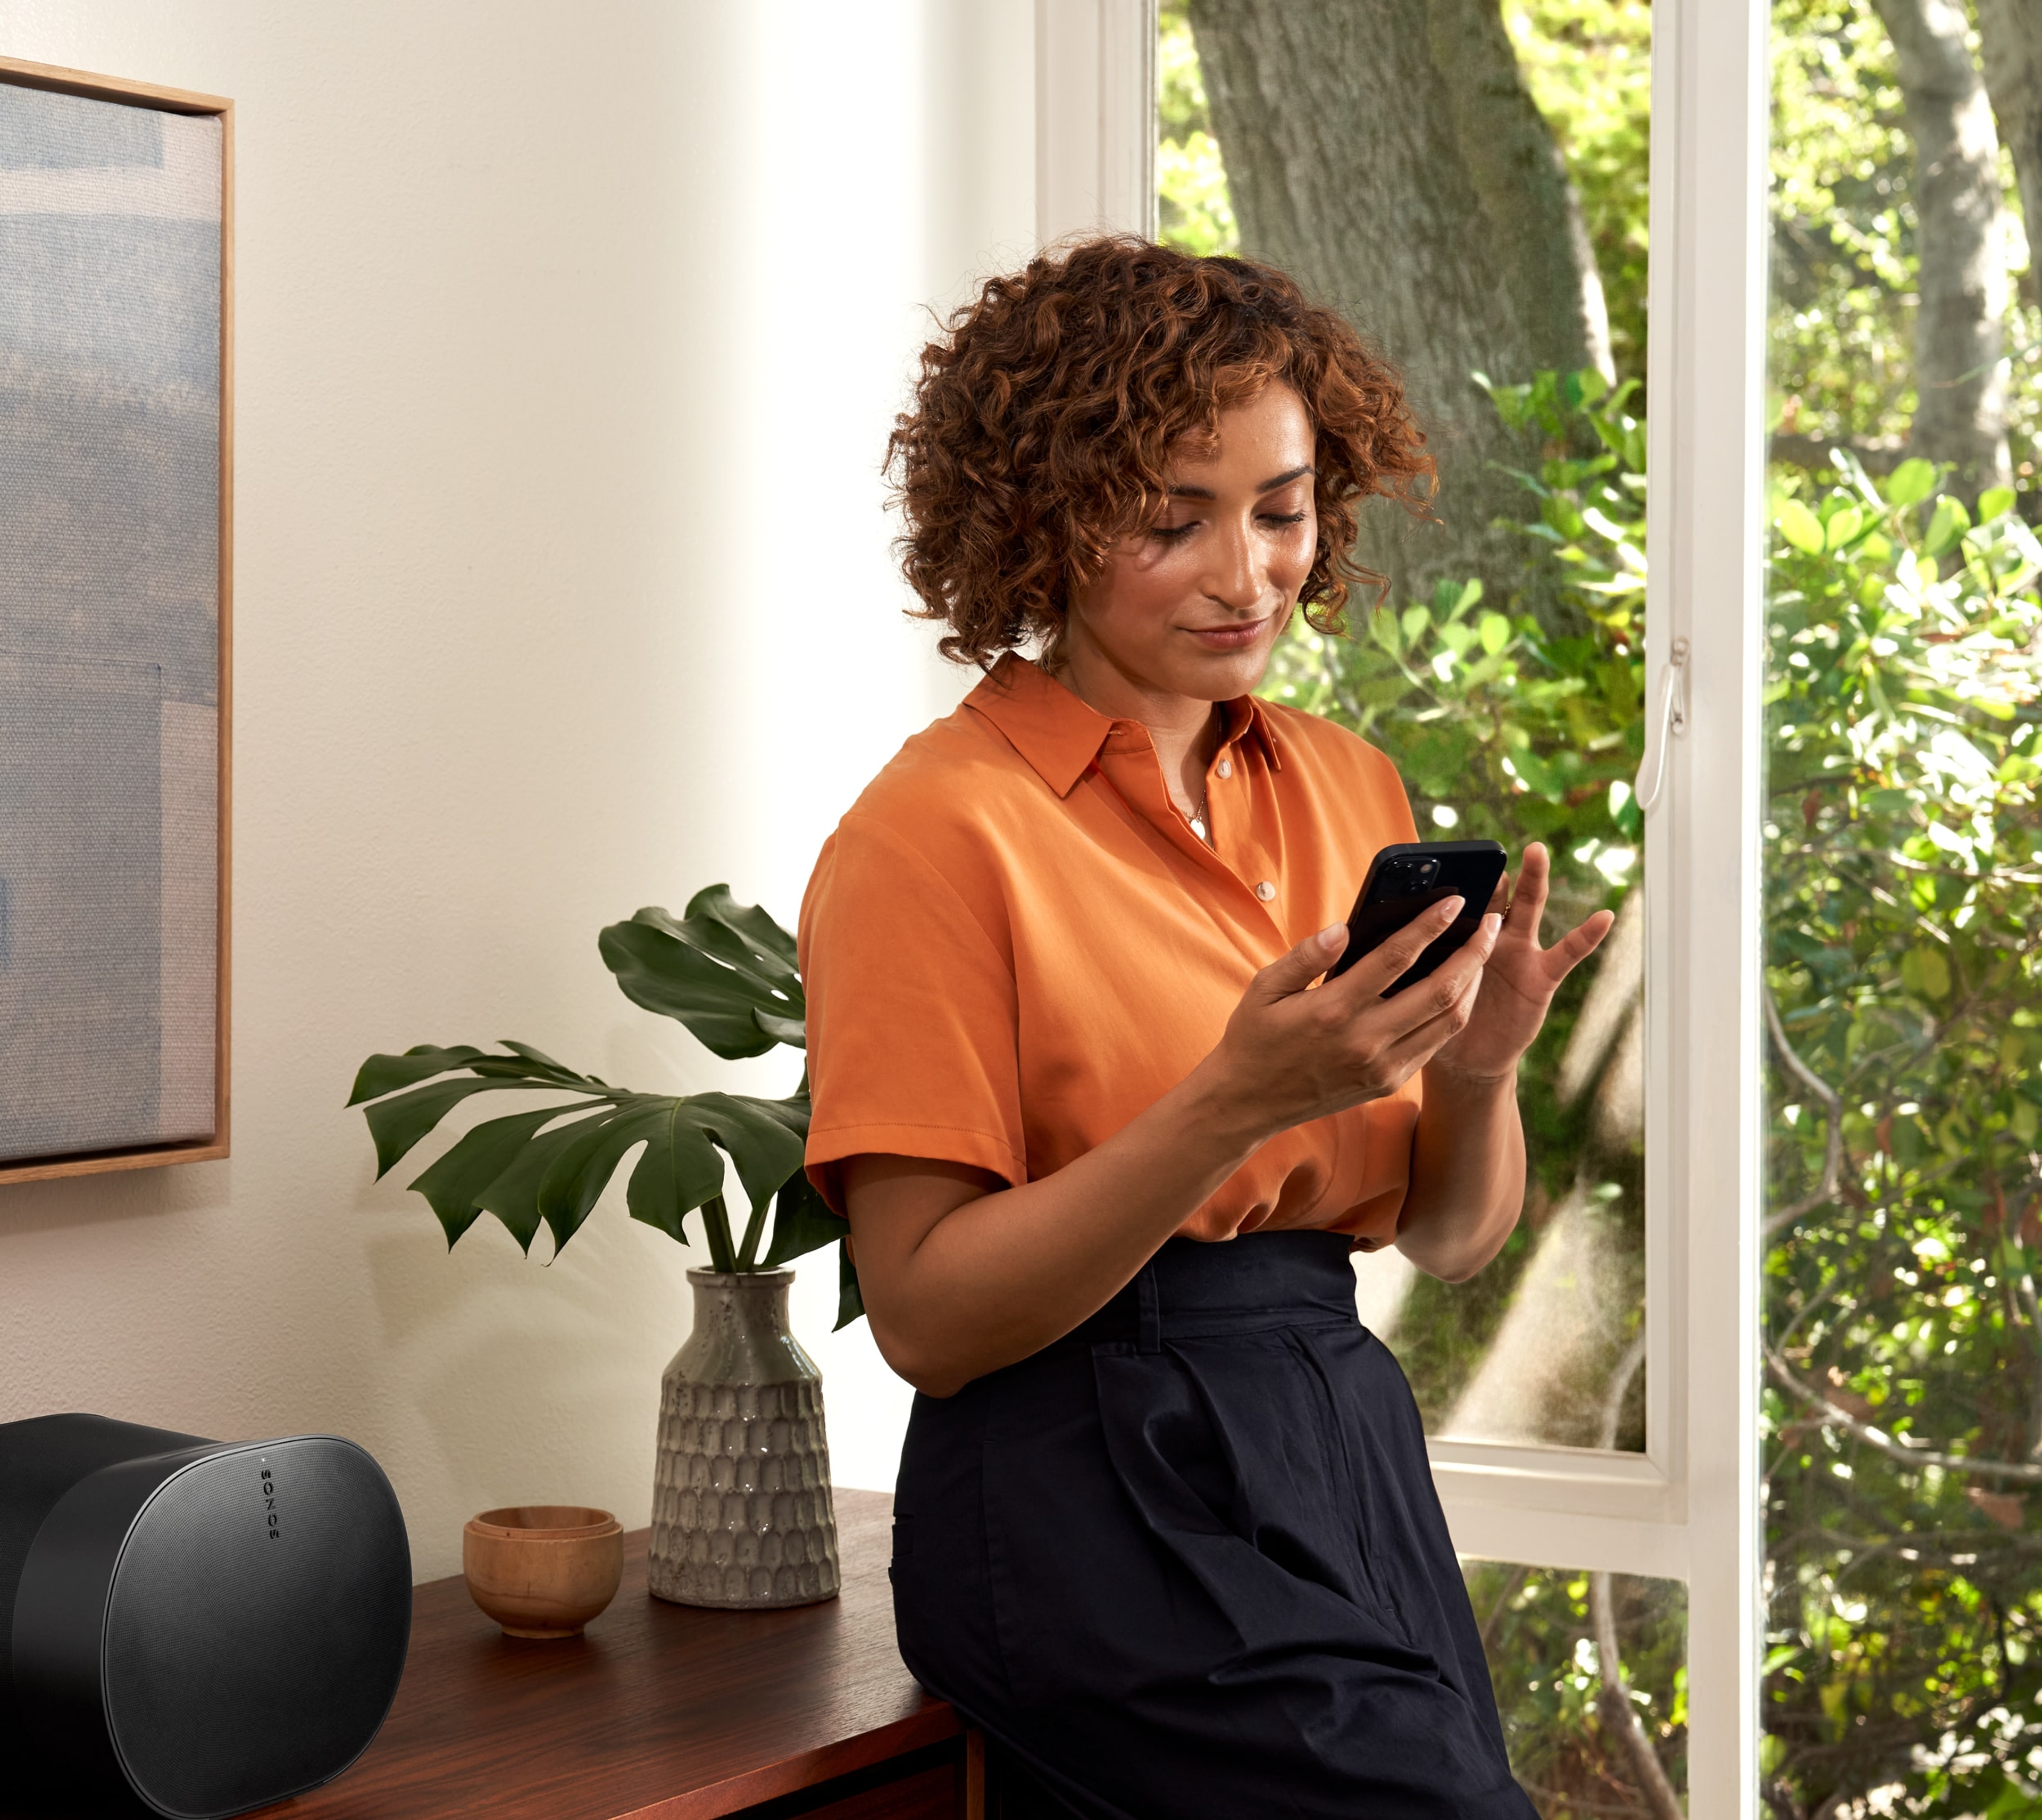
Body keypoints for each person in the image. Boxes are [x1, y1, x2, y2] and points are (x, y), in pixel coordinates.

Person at [798, 238, 1613, 1819]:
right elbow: (926, 1317)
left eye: (1282, 510)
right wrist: (1231, 1102)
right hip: (1078, 1477)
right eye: (1171, 520)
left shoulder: (1344, 784)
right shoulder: (932, 834)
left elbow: (1446, 1236)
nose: (1248, 575)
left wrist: (1482, 1064)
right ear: (1040, 520)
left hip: (1334, 1435)